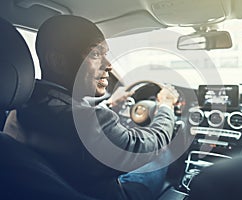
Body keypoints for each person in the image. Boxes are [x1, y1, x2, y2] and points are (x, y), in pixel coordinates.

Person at [4, 15, 179, 200]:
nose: (109, 65)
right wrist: (166, 108)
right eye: (95, 54)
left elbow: (72, 124)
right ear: (58, 62)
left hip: (73, 184)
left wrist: (109, 104)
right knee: (164, 151)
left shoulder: (24, 104)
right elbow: (152, 144)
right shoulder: (86, 121)